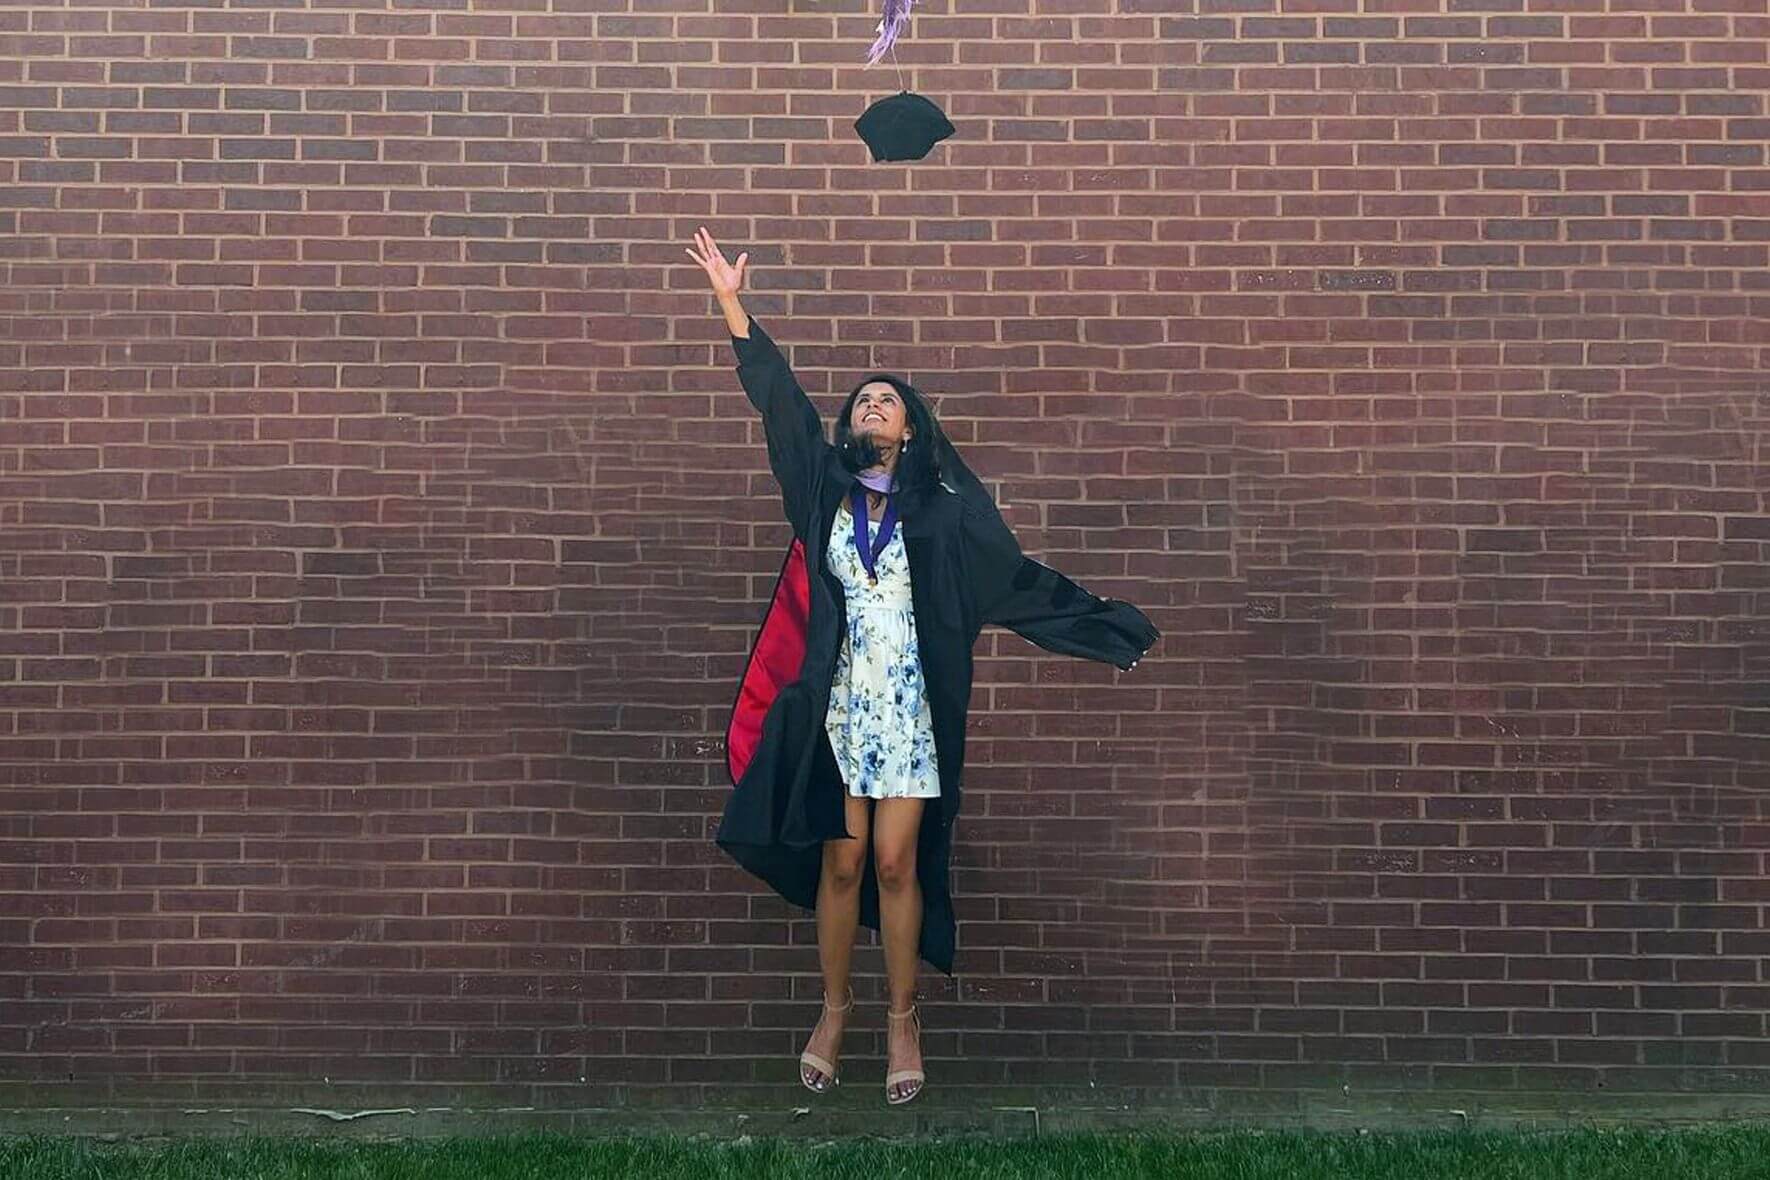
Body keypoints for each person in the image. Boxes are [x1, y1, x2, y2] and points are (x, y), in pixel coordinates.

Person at [686, 228, 1160, 1105]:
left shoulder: (940, 517)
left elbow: (1013, 581)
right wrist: (731, 303)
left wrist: (1102, 630)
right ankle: (834, 1010)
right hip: (836, 705)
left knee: (897, 864)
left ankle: (903, 1019)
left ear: (910, 429)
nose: (870, 404)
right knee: (840, 861)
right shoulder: (822, 489)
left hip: (906, 709)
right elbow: (780, 406)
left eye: (887, 401)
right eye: (862, 398)